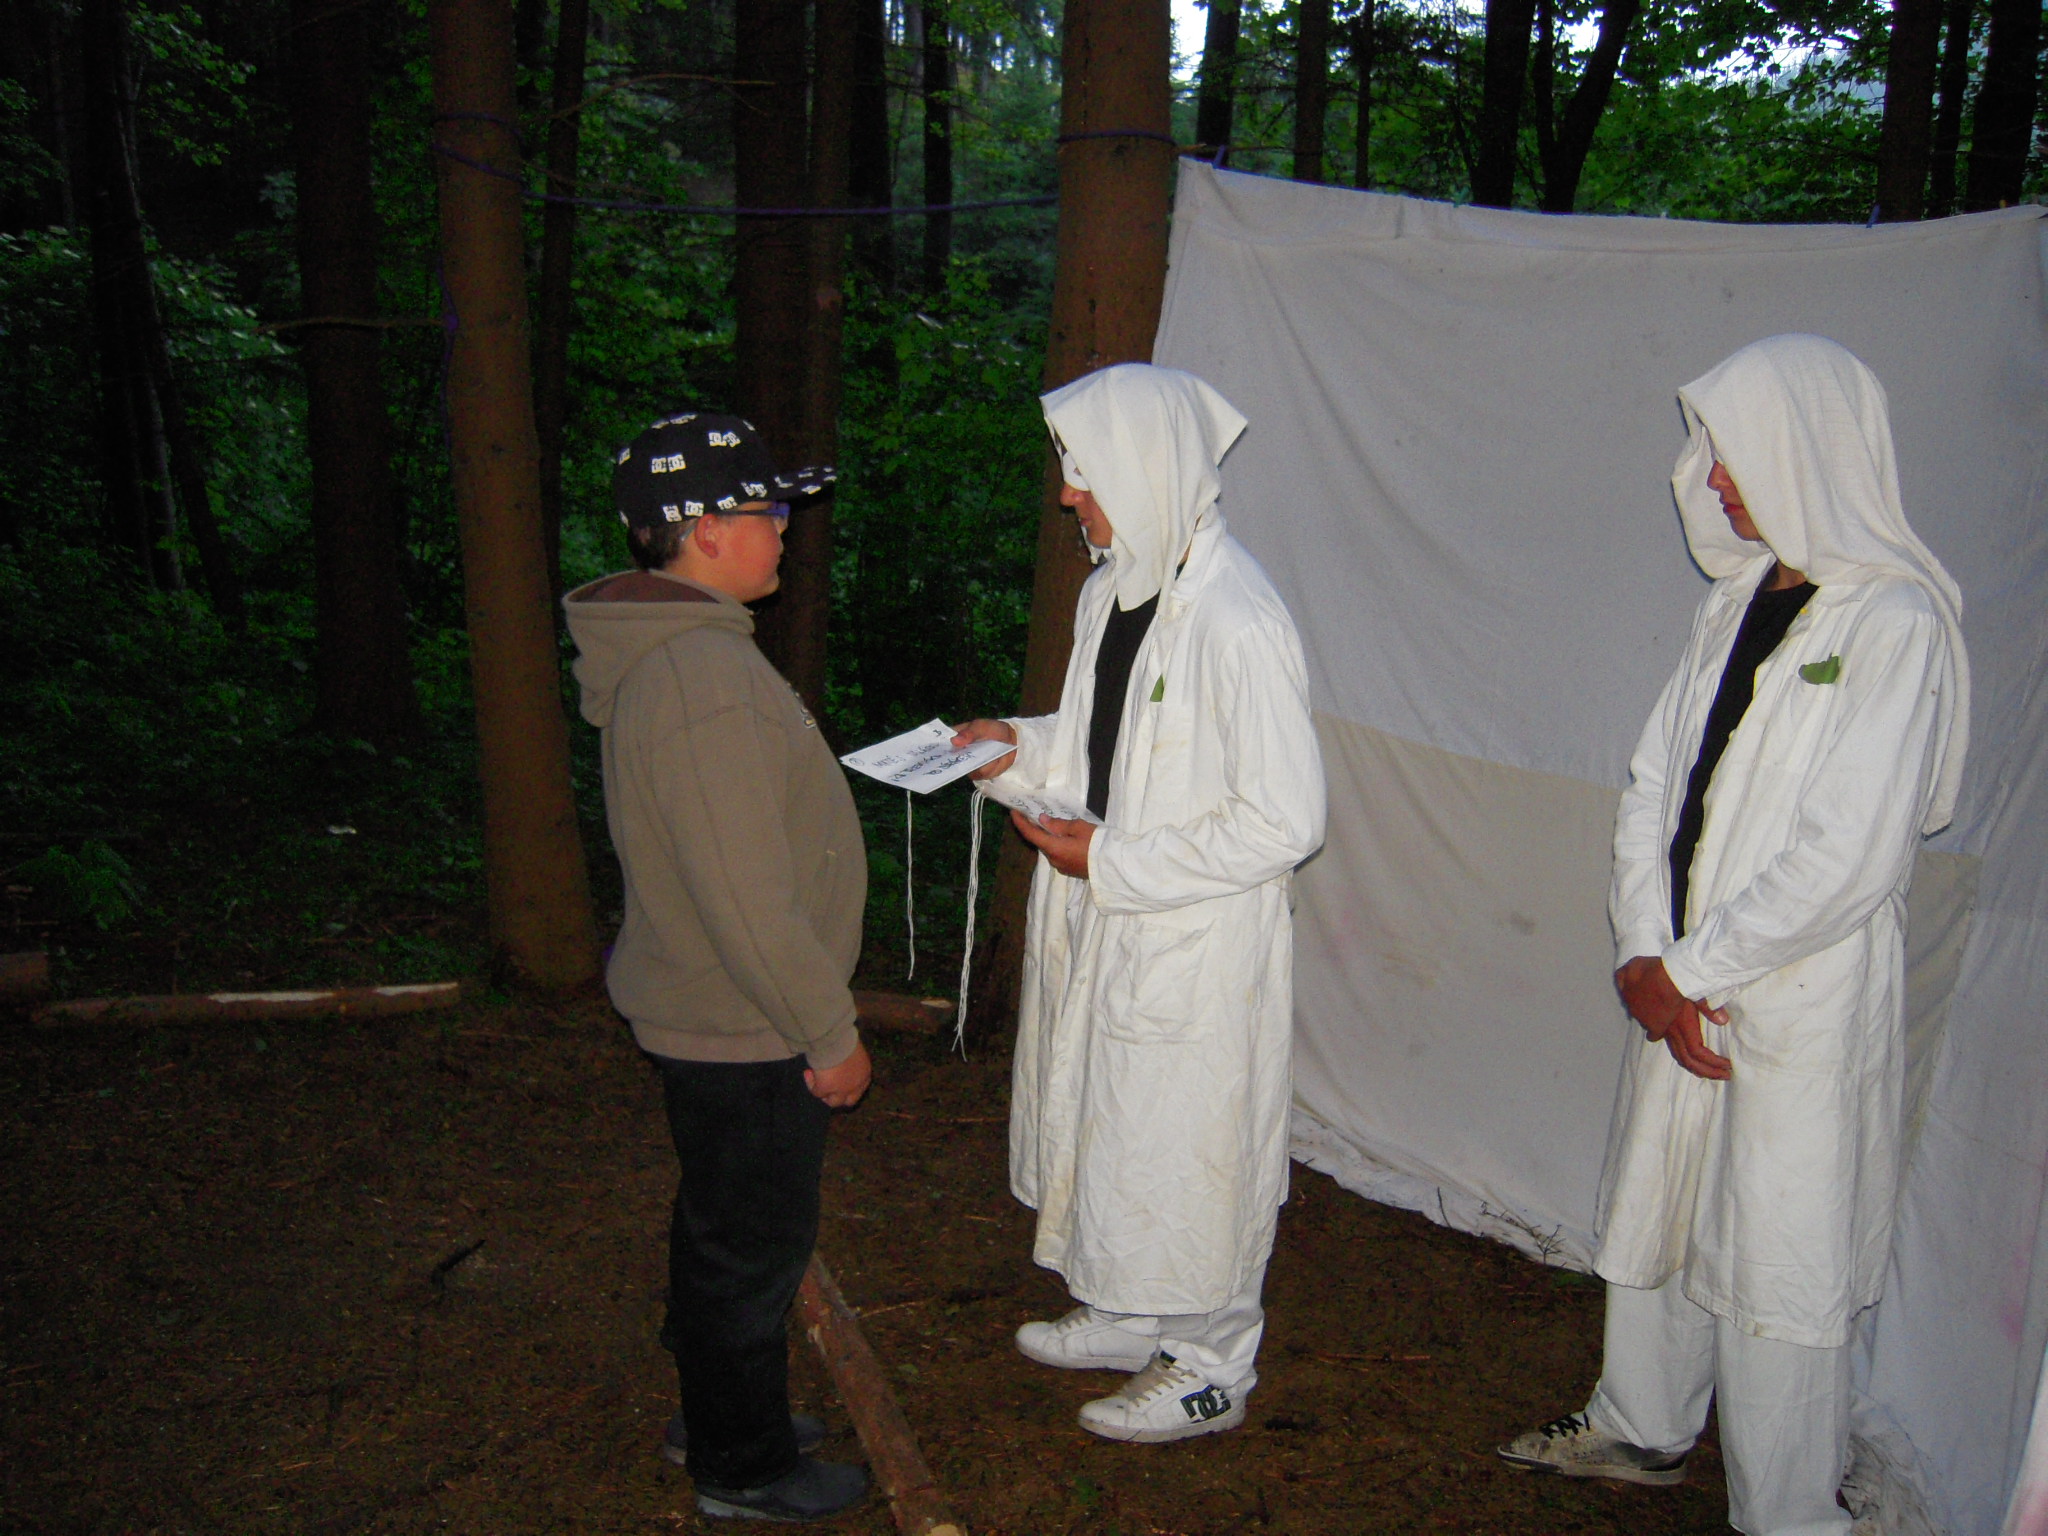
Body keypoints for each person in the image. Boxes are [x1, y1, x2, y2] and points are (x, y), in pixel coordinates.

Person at [1498, 335, 1970, 1535]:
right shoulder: (1732, 604)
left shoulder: (1892, 624)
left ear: (1809, 452)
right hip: (1681, 973)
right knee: (1661, 1206)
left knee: (1779, 1258)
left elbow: (1850, 856)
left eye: (1735, 453)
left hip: (1794, 995)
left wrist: (1688, 969)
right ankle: (1640, 1425)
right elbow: (1654, 786)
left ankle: (1787, 1513)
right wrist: (1641, 951)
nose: (1711, 478)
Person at [953, 363, 1326, 1445]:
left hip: (1195, 939)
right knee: (1114, 1122)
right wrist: (1013, 748)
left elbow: (1284, 821)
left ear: (1145, 470)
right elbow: (1096, 748)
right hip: (1109, 912)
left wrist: (1114, 860)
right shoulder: (1113, 591)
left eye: (1084, 471)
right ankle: (1128, 1311)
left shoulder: (1238, 619)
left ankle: (1212, 1362)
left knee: (1195, 1143)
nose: (1069, 494)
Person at [564, 411, 872, 1524]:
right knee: (751, 1246)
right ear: (702, 529)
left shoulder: (690, 653)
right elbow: (745, 897)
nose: (785, 528)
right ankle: (742, 1468)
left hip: (721, 1006)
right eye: (767, 510)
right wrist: (828, 1033)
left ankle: (715, 1415)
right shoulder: (700, 675)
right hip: (747, 1020)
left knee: (721, 1227)